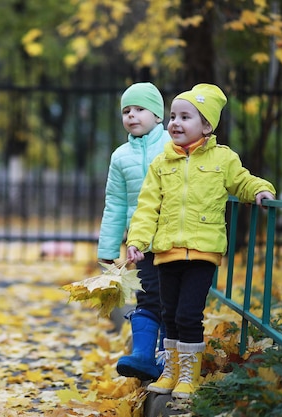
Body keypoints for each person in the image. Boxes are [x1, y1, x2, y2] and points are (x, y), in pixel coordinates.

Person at [125, 83, 276, 399]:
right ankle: (172, 371)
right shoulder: (162, 162)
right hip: (167, 252)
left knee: (187, 314)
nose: (175, 123)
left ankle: (188, 377)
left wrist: (262, 190)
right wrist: (137, 240)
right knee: (170, 314)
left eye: (185, 117)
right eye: (173, 116)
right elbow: (147, 205)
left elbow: (242, 181)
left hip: (202, 252)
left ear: (206, 125)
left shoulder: (223, 159)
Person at [97, 82, 170, 381]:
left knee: (173, 300)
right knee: (148, 295)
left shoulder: (172, 147)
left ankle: (169, 357)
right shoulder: (120, 156)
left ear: (158, 115)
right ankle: (142, 355)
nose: (132, 115)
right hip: (140, 244)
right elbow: (114, 203)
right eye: (127, 110)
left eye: (140, 109)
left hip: (175, 239)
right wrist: (108, 247)